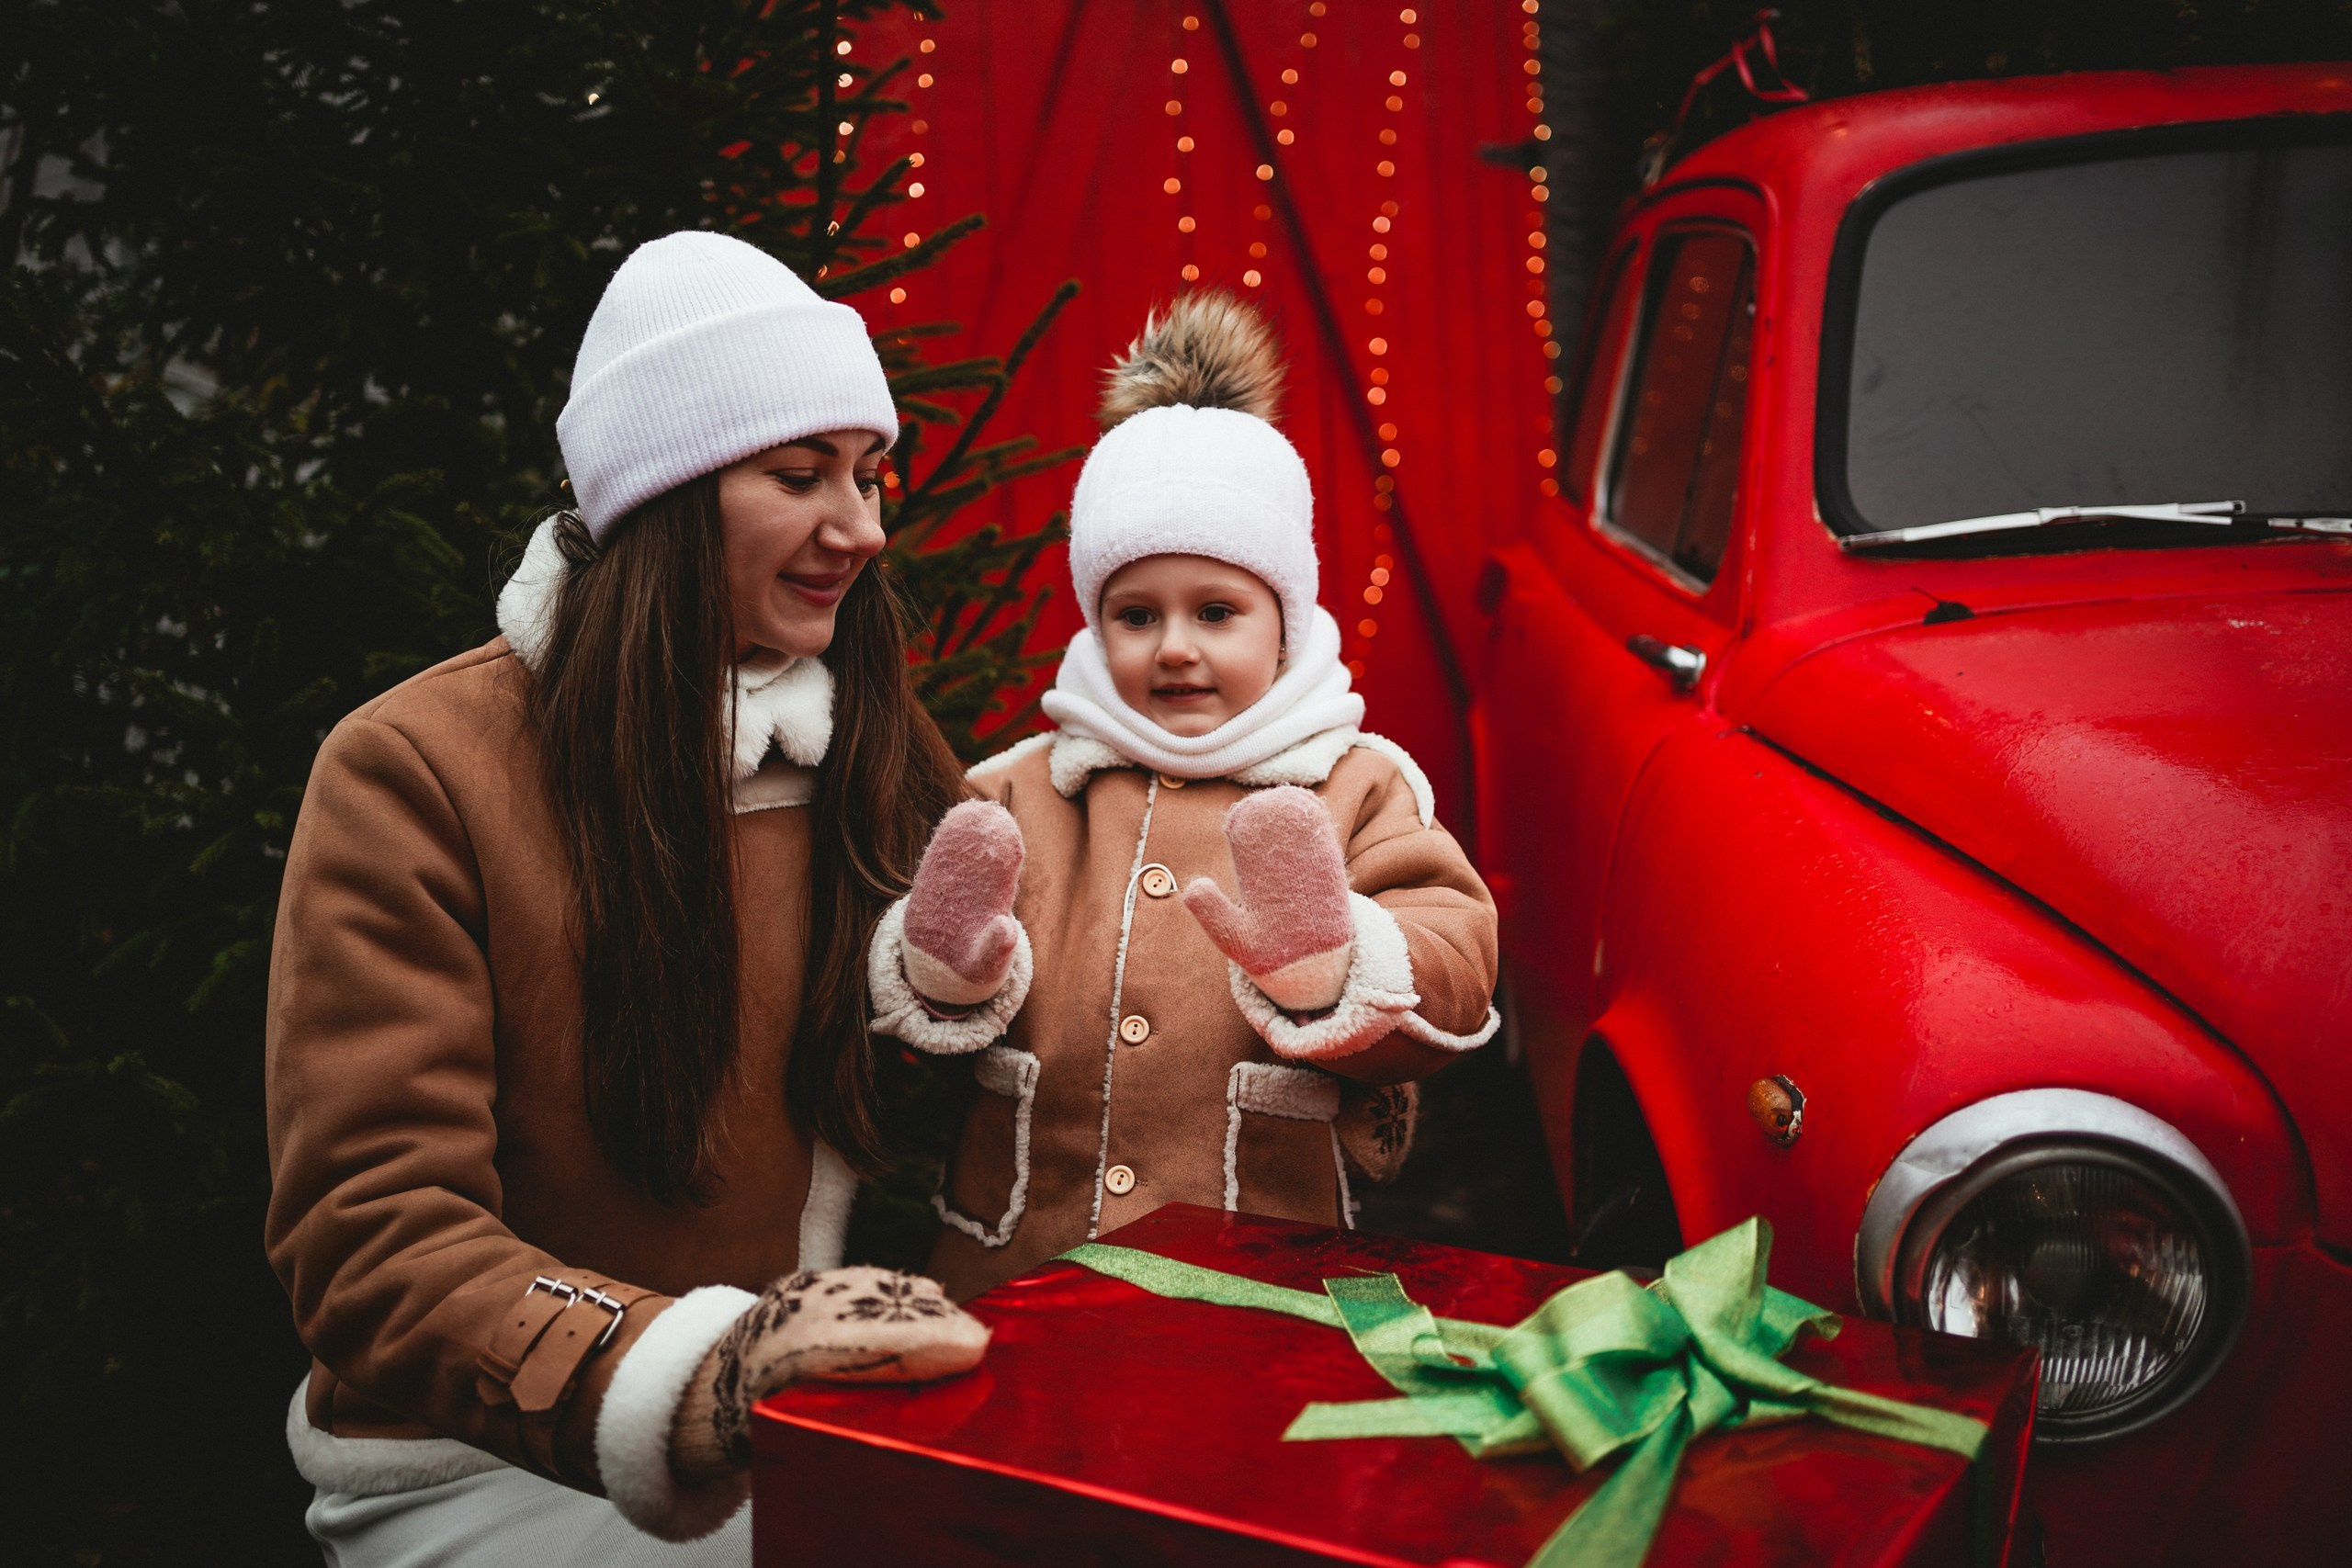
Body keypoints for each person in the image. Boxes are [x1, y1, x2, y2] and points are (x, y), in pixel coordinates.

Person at [264, 231, 989, 1564]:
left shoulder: (862, 732)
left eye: (870, 474)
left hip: (793, 1423)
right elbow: (372, 1236)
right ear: (668, 494)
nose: (863, 527)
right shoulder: (414, 769)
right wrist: (692, 1375)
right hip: (487, 1459)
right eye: (800, 475)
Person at [864, 292, 1501, 1301]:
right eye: (1135, 615)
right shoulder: (1021, 789)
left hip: (1252, 1271)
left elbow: (1457, 952)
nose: (1173, 647)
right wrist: (947, 966)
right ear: (1094, 622)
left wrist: (1341, 961)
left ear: (1283, 622)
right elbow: (927, 989)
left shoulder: (1355, 782)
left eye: (1215, 611)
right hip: (1021, 1259)